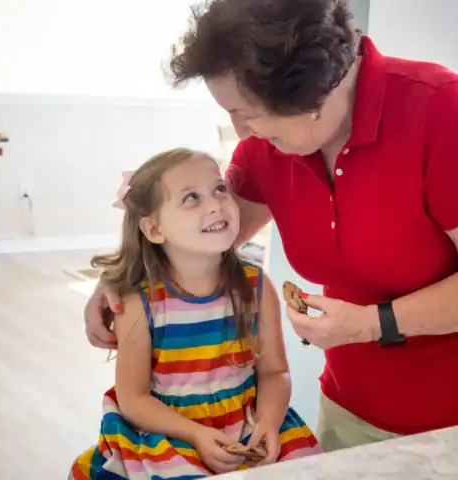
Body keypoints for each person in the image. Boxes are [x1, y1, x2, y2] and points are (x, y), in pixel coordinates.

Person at [84, 0, 458, 453]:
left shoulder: (439, 110)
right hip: (351, 407)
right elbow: (193, 242)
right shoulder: (268, 151)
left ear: (307, 94)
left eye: (248, 112)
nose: (241, 132)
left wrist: (369, 324)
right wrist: (120, 278)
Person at [70, 149, 321, 479]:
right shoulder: (138, 302)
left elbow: (274, 373)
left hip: (249, 425)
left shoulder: (256, 285)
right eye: (191, 198)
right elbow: (133, 398)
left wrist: (269, 424)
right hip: (169, 433)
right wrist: (196, 434)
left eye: (220, 189)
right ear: (154, 229)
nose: (216, 204)